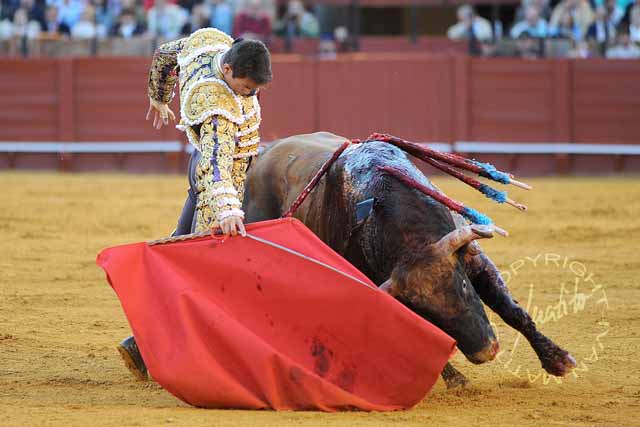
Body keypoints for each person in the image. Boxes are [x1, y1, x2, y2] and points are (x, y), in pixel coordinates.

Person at [117, 28, 272, 381]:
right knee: (203, 272)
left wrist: (159, 96)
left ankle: (140, 345)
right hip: (218, 183)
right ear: (229, 71)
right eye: (248, 88)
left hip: (199, 171)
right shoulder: (215, 104)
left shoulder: (209, 44)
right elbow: (218, 163)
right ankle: (190, 360)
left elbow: (164, 54)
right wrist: (229, 209)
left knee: (179, 249)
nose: (252, 95)